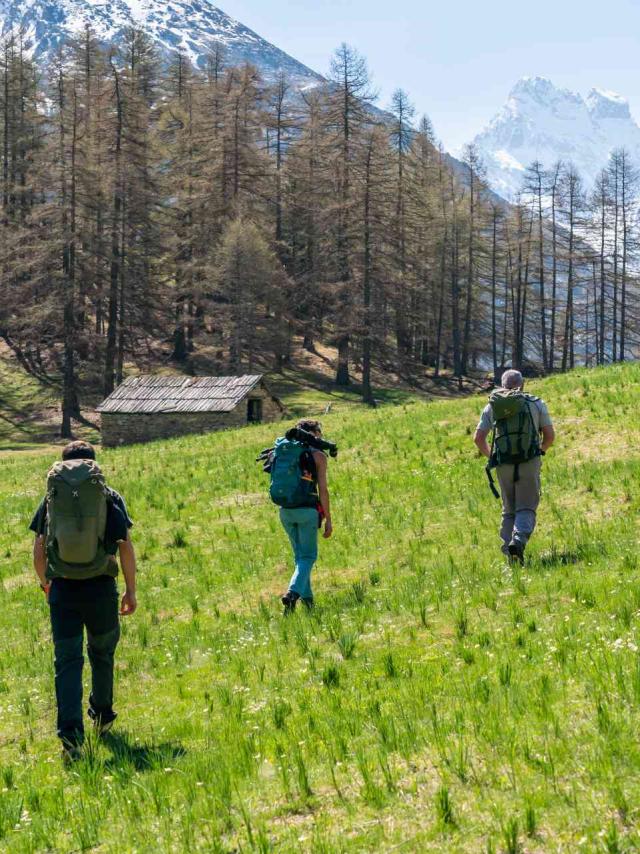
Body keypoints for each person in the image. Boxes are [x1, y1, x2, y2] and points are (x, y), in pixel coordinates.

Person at [30, 440, 138, 761]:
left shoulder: (52, 496)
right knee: (102, 653)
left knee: (67, 662)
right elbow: (125, 546)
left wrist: (46, 582)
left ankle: (71, 740)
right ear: (93, 464)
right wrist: (131, 589)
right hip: (100, 588)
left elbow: (38, 547)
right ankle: (102, 717)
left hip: (63, 589)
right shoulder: (107, 495)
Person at [474, 369, 555, 562]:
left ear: (502, 385)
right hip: (529, 460)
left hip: (503, 464)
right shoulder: (536, 403)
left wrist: (492, 456)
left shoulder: (492, 406)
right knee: (526, 506)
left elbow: (478, 438)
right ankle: (518, 541)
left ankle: (509, 554)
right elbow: (550, 436)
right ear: (523, 384)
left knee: (509, 508)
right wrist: (540, 450)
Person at [266, 419, 333, 613]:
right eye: (319, 432)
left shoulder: (280, 451)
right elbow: (323, 490)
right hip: (307, 511)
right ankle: (292, 593)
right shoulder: (319, 456)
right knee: (308, 556)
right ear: (314, 434)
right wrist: (328, 518)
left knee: (300, 558)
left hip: (285, 510)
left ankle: (308, 602)